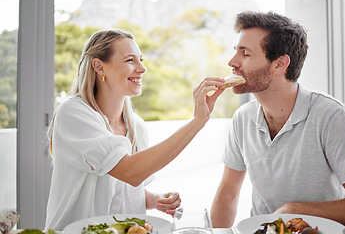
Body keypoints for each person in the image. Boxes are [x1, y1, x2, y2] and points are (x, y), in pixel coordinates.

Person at [210, 11, 345, 227]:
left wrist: (293, 211)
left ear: (279, 64)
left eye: (245, 54)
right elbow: (228, 195)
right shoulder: (242, 118)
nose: (232, 62)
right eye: (235, 52)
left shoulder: (331, 116)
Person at [45, 29, 225, 231]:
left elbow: (128, 189)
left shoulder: (136, 126)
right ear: (99, 67)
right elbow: (130, 171)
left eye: (141, 59)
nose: (142, 68)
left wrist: (156, 200)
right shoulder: (74, 113)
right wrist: (197, 121)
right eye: (131, 60)